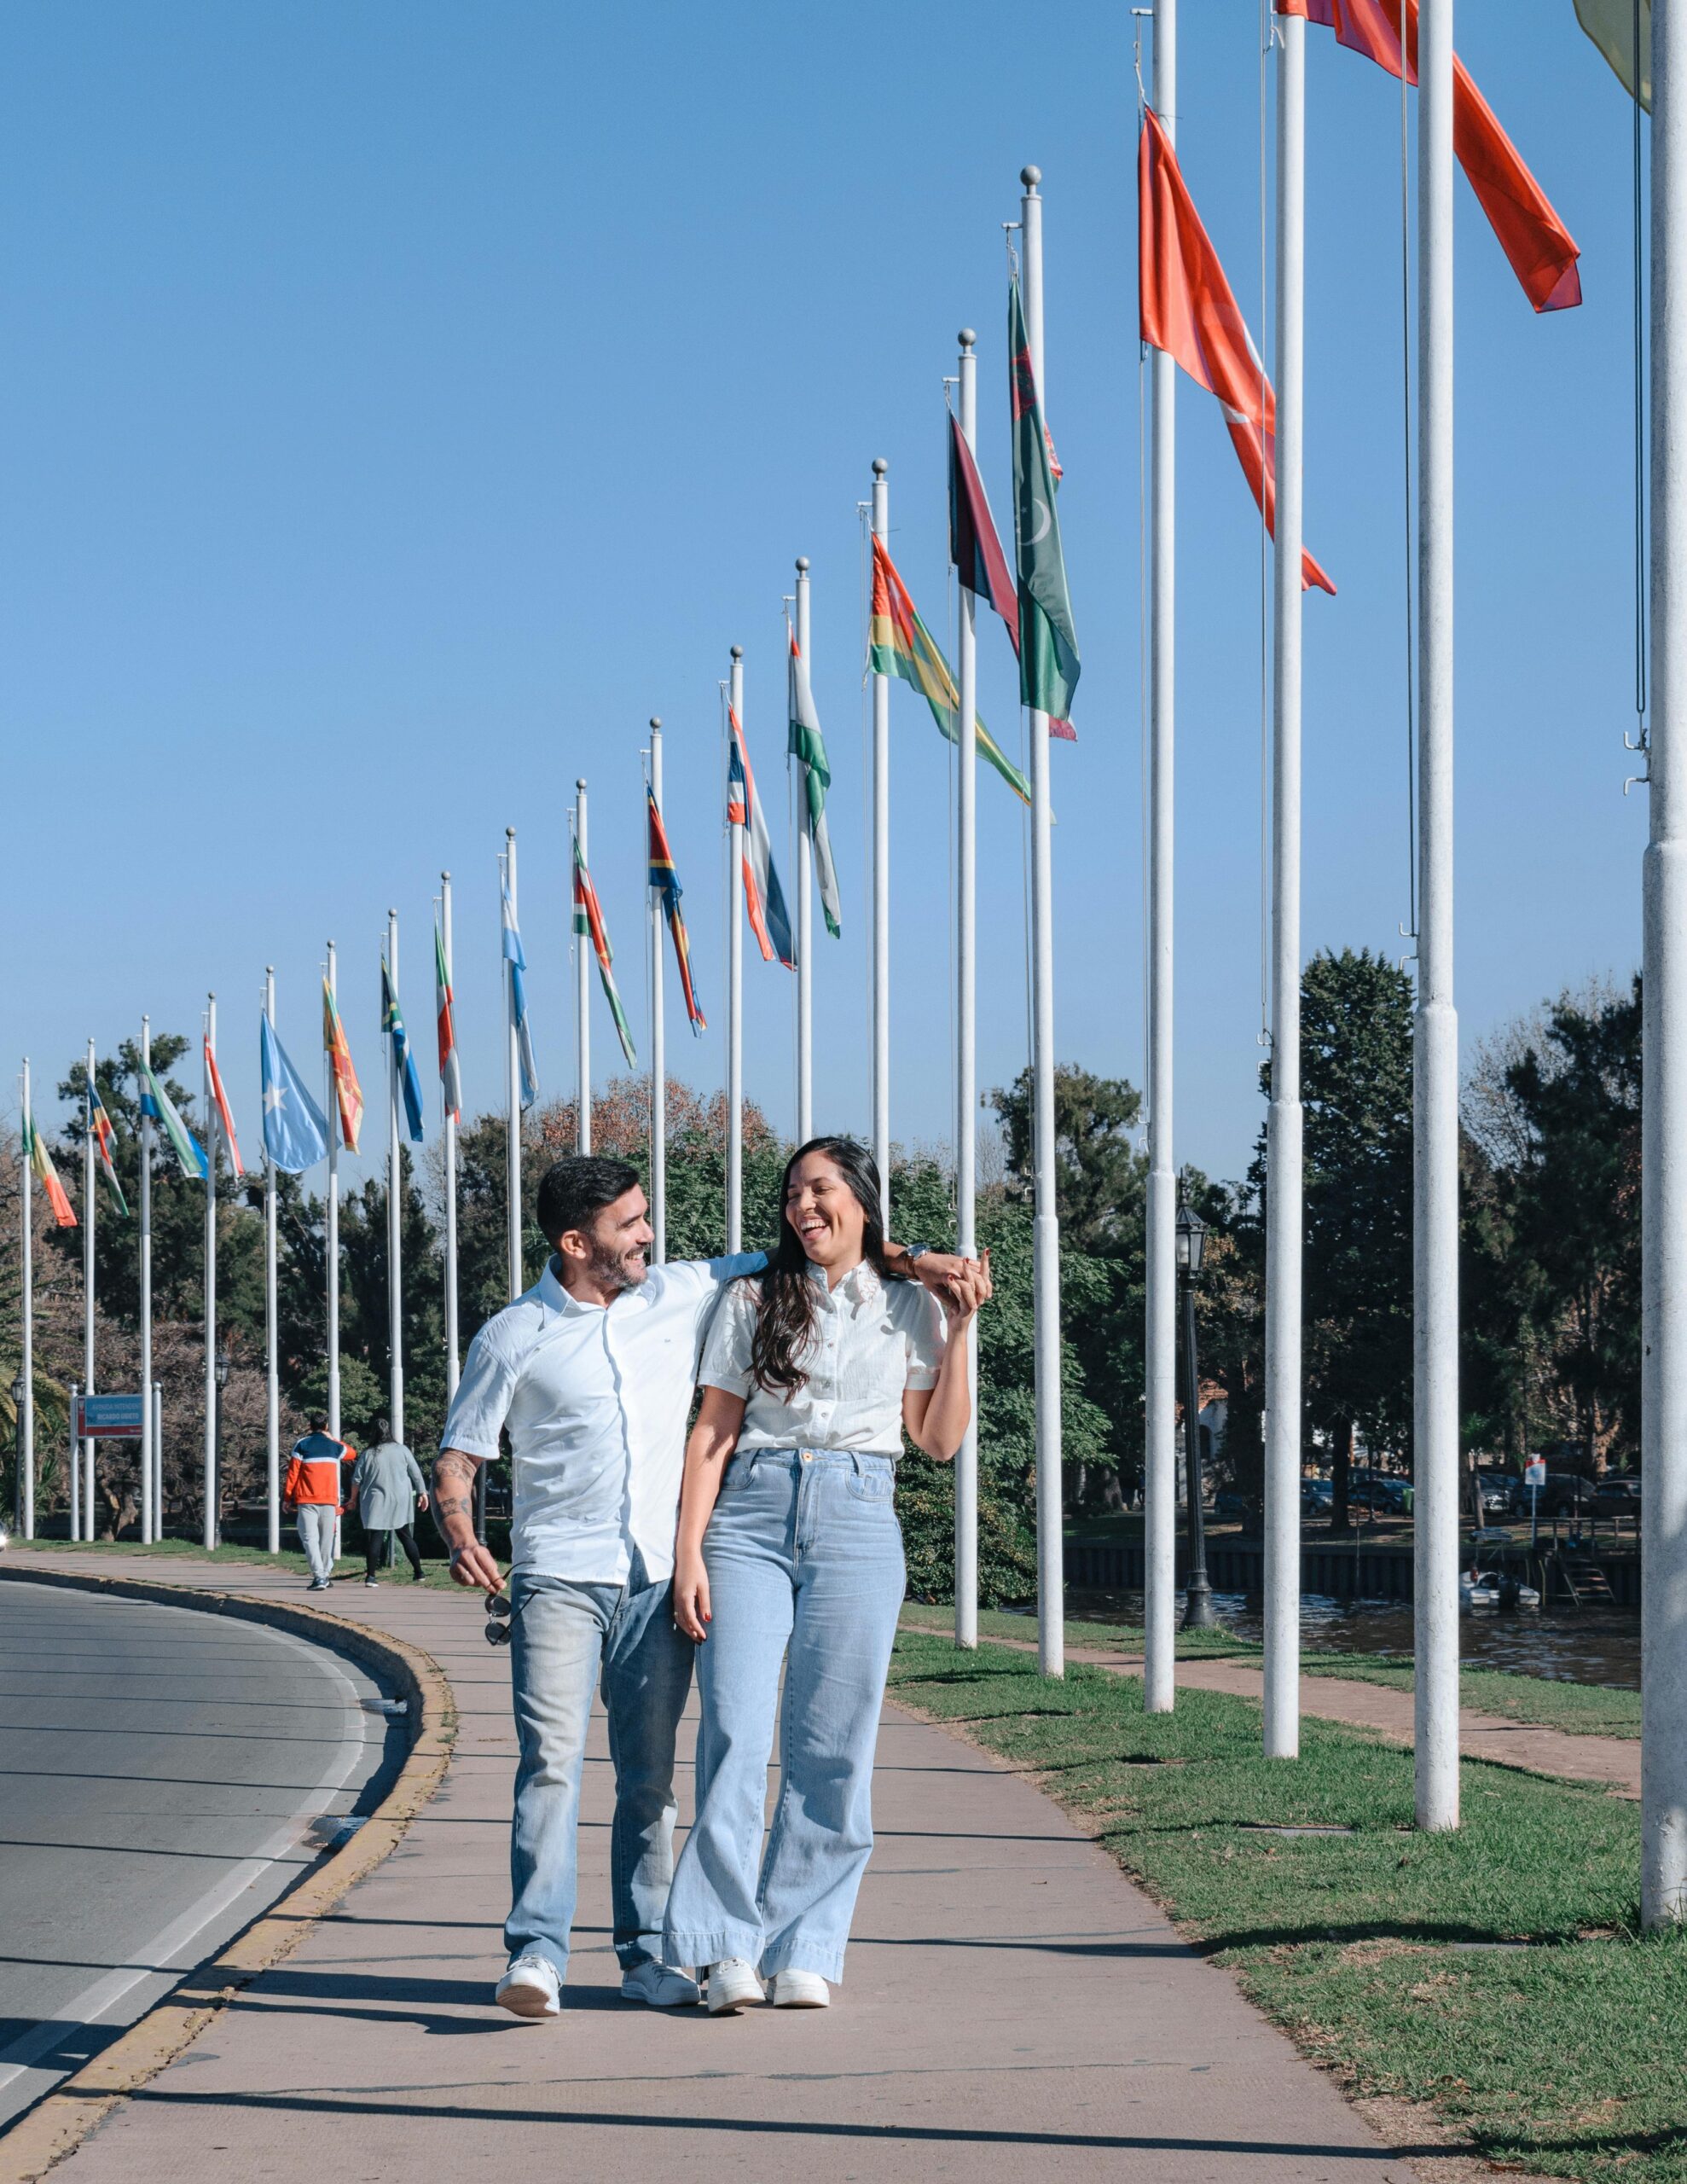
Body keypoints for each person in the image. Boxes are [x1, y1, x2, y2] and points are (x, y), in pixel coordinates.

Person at [432, 1153, 969, 2022]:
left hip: (678, 1564)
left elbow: (825, 1250)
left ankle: (675, 1955)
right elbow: (462, 1454)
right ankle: (551, 1952)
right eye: (630, 1223)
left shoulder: (681, 1289)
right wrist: (460, 1532)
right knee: (569, 1765)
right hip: (570, 1569)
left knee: (664, 1777)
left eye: (646, 1217)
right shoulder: (515, 1332)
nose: (649, 1233)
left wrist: (922, 1264)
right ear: (576, 1242)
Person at [664, 1136, 988, 2014]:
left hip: (858, 1513)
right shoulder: (751, 1297)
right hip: (751, 1516)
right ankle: (724, 1946)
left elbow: (939, 1439)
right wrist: (688, 1549)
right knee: (734, 1730)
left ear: (861, 1198)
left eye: (820, 1189)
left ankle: (801, 1941)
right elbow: (713, 1430)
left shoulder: (912, 1305)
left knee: (833, 1748)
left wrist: (960, 1327)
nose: (802, 1206)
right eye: (791, 1193)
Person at [347, 1419, 428, 1586]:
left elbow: (356, 1480)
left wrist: (353, 1499)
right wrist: (422, 1493)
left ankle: (371, 1576)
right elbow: (416, 1473)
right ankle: (419, 1572)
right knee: (405, 1535)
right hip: (400, 1498)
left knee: (375, 1537)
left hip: (376, 1499)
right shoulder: (402, 1450)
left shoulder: (368, 1453)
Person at [282, 1412, 355, 1591]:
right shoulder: (334, 1446)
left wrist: (287, 1498)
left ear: (310, 1426)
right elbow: (352, 1453)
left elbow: (293, 1474)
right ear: (326, 1426)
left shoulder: (302, 1445)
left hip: (306, 1500)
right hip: (329, 1500)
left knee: (310, 1538)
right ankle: (324, 1574)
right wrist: (333, 1438)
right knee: (326, 1539)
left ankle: (319, 1575)